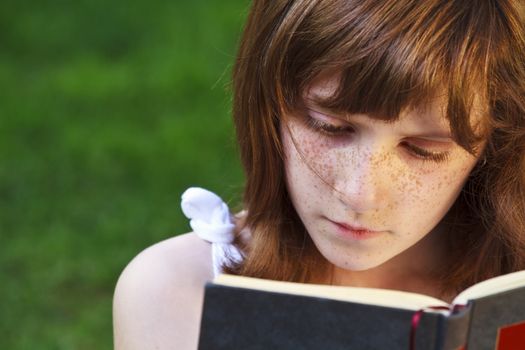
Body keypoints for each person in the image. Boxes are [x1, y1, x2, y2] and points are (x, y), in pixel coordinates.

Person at [112, 0, 525, 349]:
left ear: (494, 144)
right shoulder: (176, 290)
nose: (360, 194)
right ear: (268, 110)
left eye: (424, 149)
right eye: (330, 127)